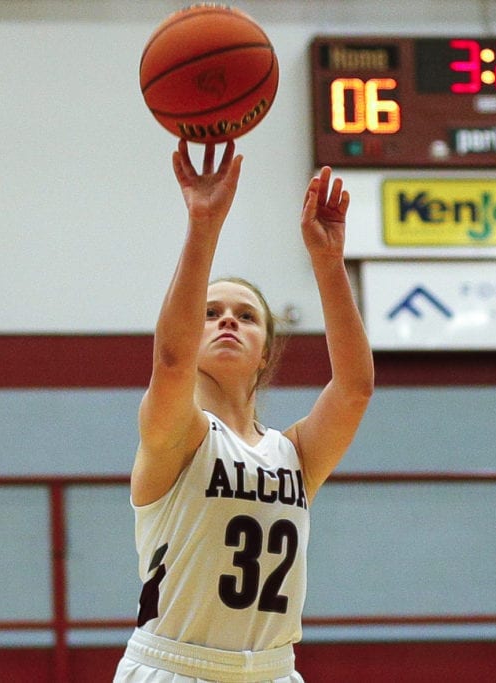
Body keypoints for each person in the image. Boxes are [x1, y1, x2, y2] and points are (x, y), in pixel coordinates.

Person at [113, 139, 374, 683]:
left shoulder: (295, 453)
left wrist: (329, 262)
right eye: (211, 313)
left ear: (265, 353)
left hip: (274, 671)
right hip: (176, 667)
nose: (227, 321)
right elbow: (171, 357)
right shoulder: (180, 432)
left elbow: (354, 388)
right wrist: (204, 224)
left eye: (245, 316)